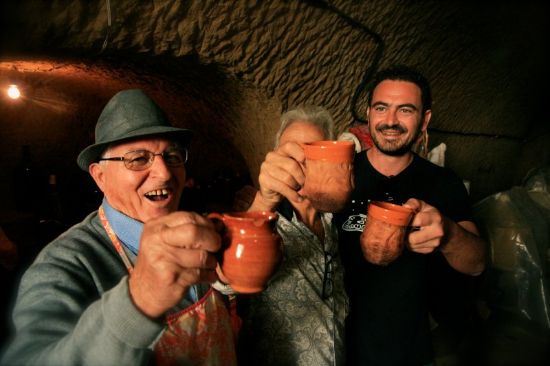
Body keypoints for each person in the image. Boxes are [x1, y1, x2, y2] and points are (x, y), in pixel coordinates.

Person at [1, 89, 238, 366]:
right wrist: (139, 300)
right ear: (100, 177)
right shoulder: (64, 264)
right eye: (138, 159)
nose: (164, 173)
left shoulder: (195, 230)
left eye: (172, 156)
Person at [334, 65, 487, 365]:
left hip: (411, 349)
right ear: (369, 113)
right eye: (381, 108)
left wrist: (448, 232)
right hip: (337, 345)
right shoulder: (341, 174)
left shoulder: (444, 183)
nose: (390, 121)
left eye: (405, 110)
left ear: (424, 119)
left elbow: (478, 263)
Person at [235, 106, 348, 365]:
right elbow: (222, 282)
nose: (298, 160)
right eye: (290, 150)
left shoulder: (336, 223)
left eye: (312, 151)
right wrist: (263, 201)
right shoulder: (259, 221)